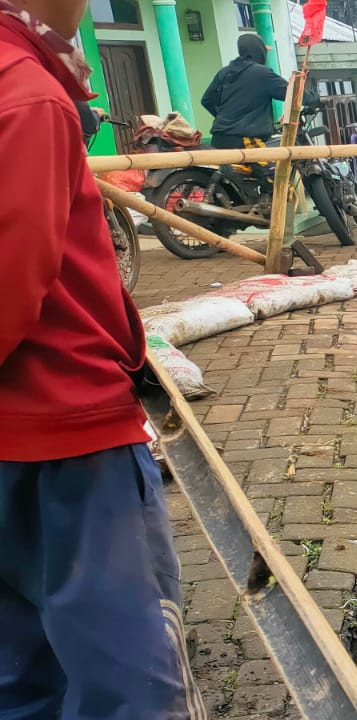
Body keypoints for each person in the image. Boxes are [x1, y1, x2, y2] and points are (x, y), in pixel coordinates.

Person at [0, 0, 205, 716]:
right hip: (68, 437)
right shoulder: (24, 94)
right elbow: (12, 279)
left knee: (22, 675)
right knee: (131, 682)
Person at [201, 34, 315, 151]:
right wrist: (315, 99)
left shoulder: (225, 72)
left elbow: (207, 100)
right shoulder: (262, 74)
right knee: (271, 168)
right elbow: (292, 93)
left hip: (218, 140)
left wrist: (227, 119)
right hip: (245, 141)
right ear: (259, 51)